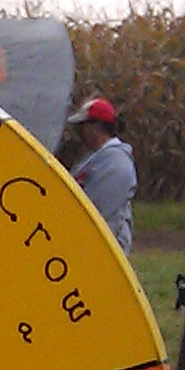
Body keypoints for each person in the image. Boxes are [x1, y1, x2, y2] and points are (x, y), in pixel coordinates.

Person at [60, 95, 137, 253]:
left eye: (82, 126)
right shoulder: (97, 157)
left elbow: (99, 209)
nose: (79, 132)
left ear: (95, 126)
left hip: (104, 247)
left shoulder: (115, 160)